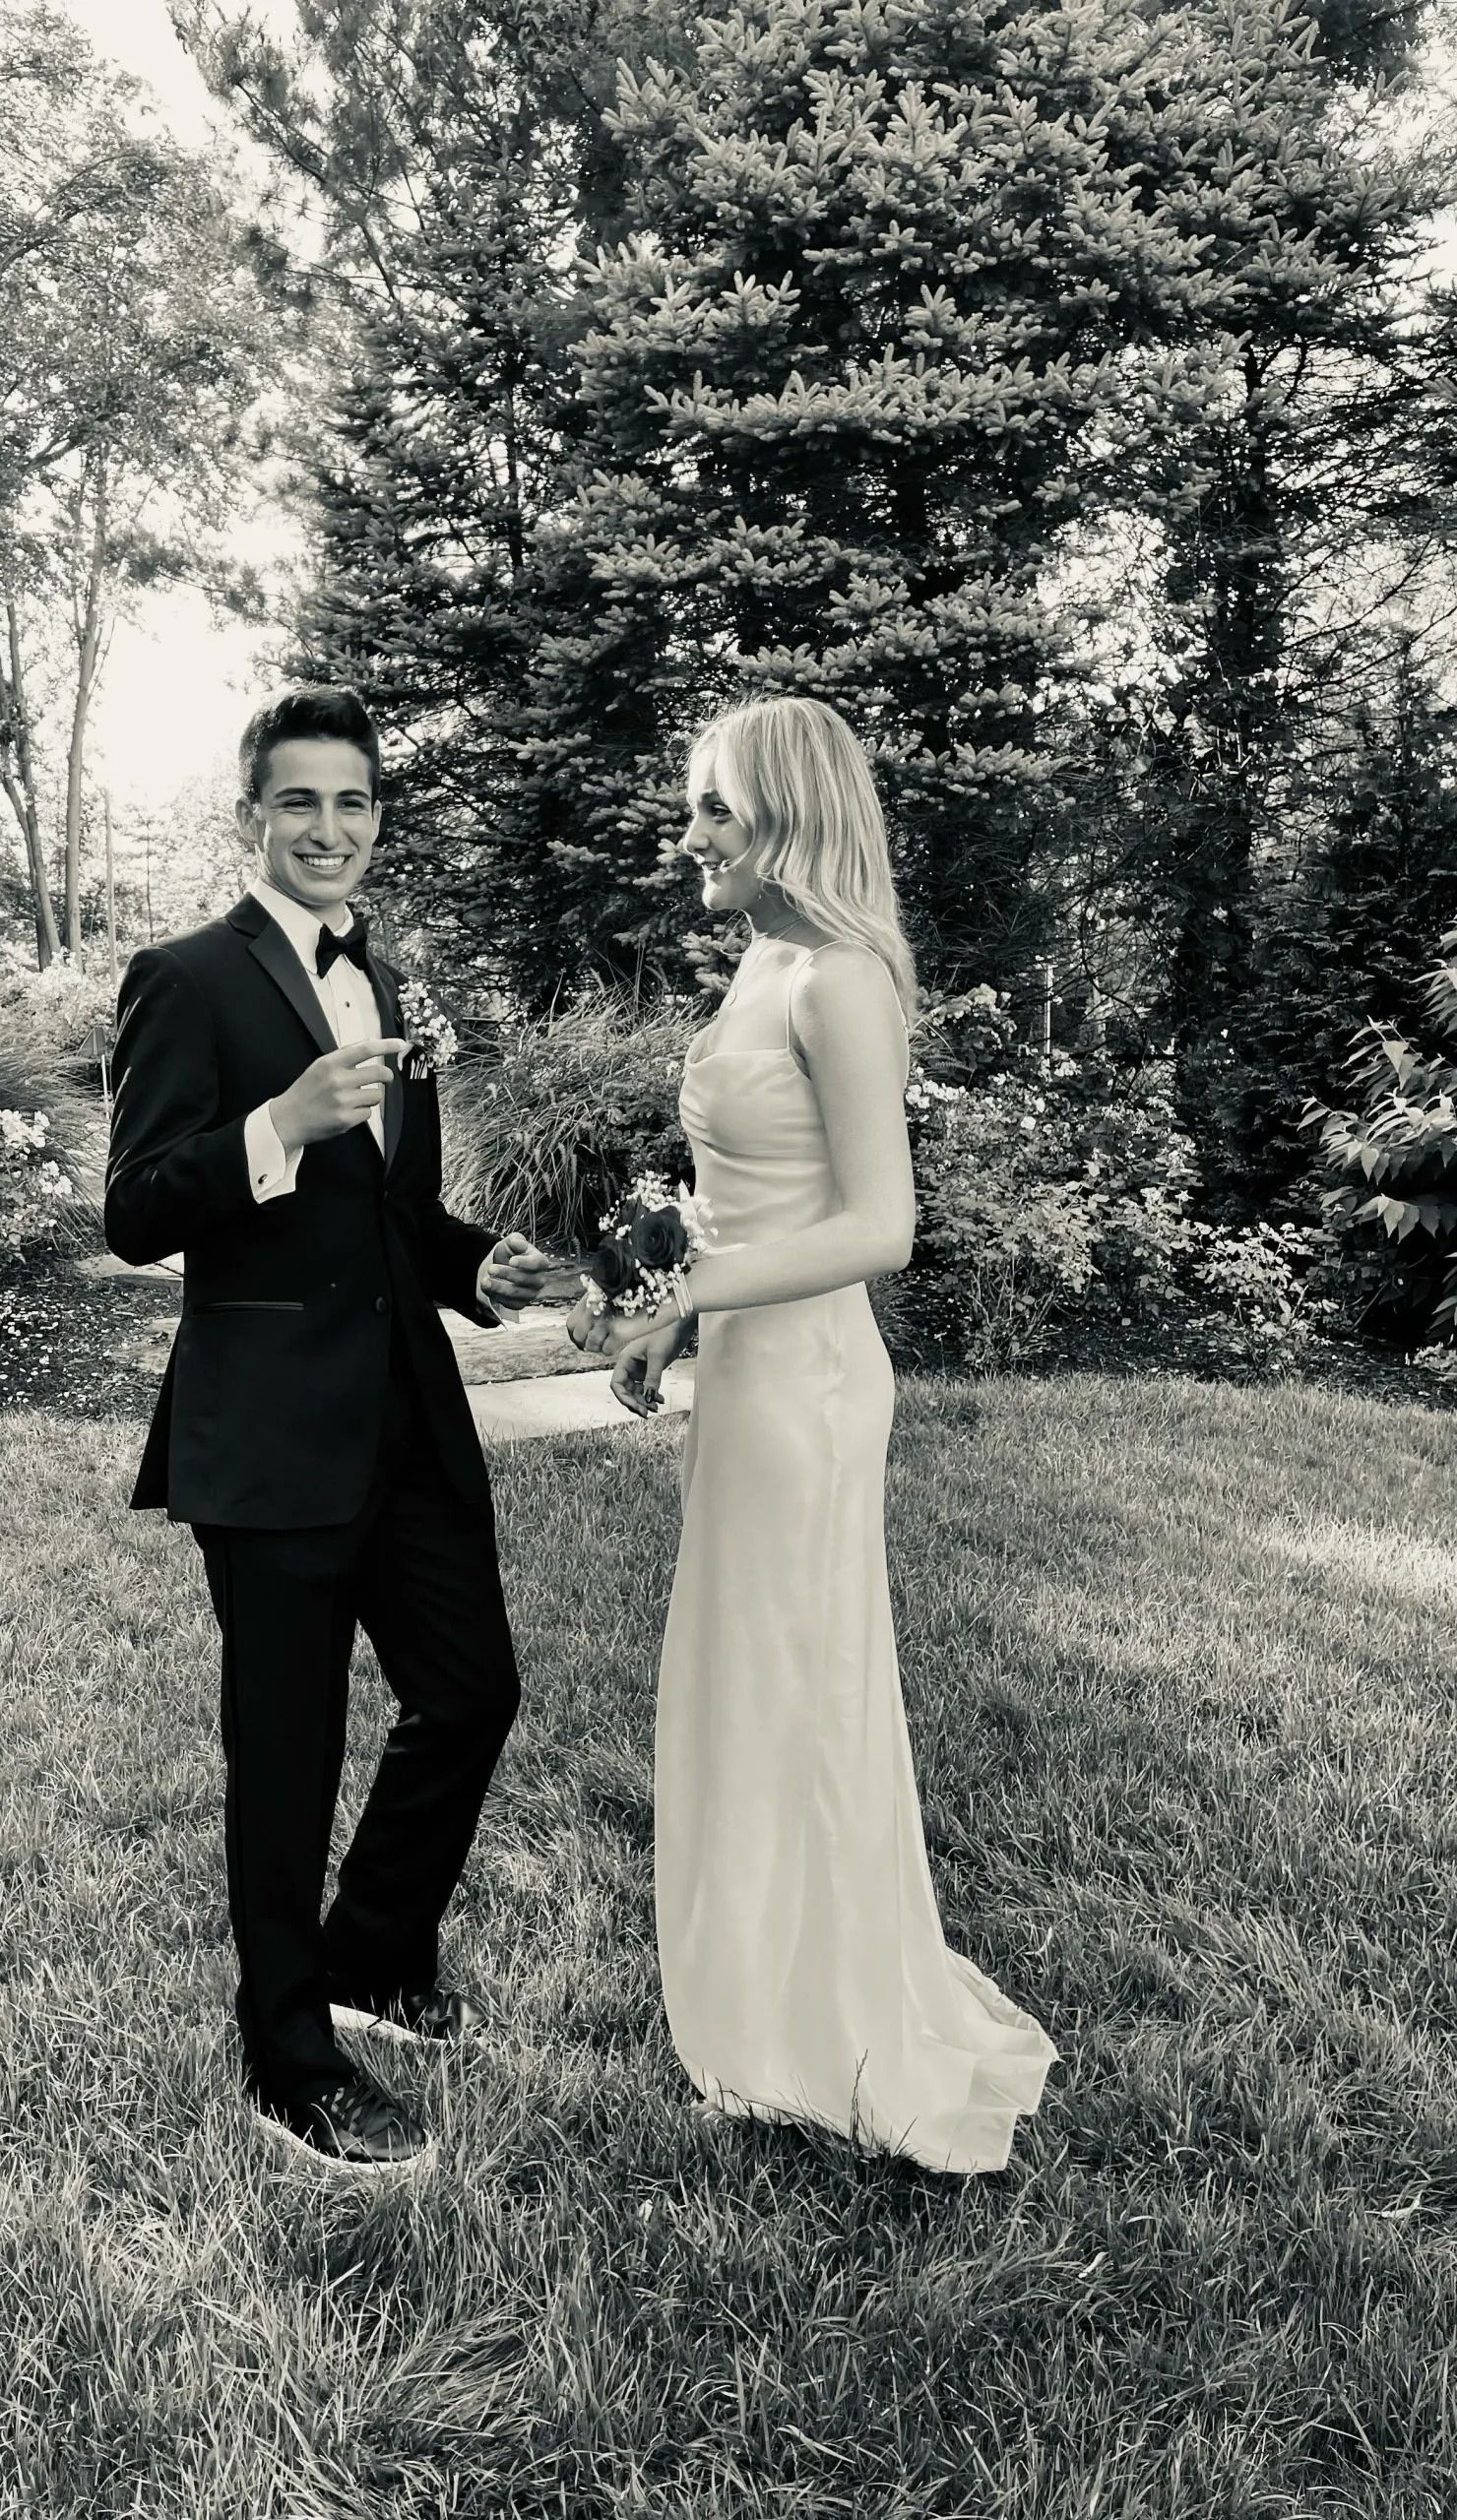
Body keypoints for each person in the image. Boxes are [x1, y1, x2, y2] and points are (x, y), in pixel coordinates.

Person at [581, 695, 1056, 2174]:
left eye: (717, 808)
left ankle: (827, 2014)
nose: (690, 836)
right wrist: (669, 1300)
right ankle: (762, 1982)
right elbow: (752, 1194)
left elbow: (881, 1228)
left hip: (811, 1389)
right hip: (750, 1374)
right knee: (754, 1674)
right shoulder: (764, 960)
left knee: (801, 1682)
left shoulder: (842, 977)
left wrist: (694, 1287)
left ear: (792, 809)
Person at [104, 683, 552, 2174]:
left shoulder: (386, 981)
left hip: (411, 1424)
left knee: (471, 1691)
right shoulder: (186, 978)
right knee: (284, 1753)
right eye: (300, 801)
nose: (330, 829)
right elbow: (135, 1211)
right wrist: (274, 1129)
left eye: (354, 802)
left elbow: (394, 1223)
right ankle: (287, 2058)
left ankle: (369, 1953)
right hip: (270, 1436)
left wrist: (484, 1264)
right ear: (252, 819)